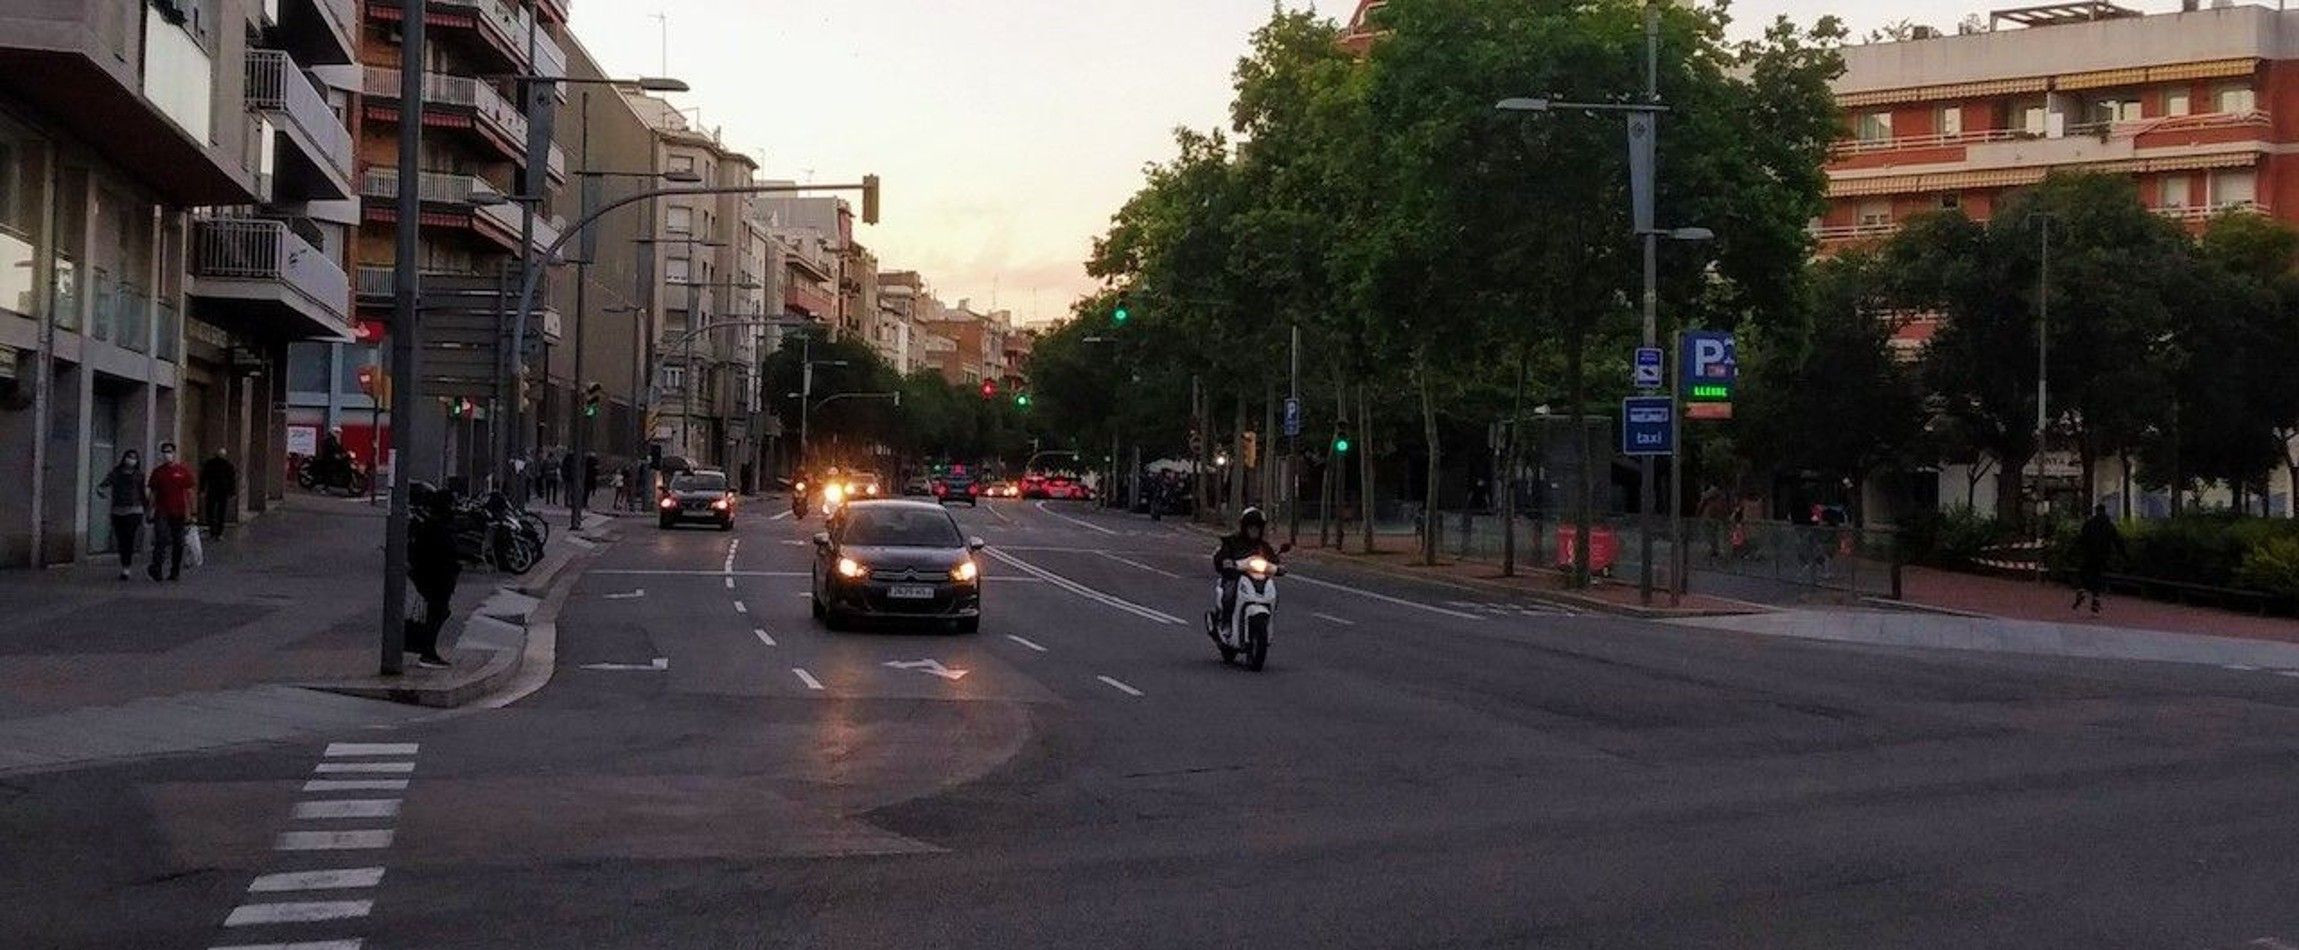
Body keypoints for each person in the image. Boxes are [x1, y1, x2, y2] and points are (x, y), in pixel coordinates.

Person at [405, 483, 460, 669]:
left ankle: (427, 649)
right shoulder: (435, 526)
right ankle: (427, 650)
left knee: (439, 612)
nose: (454, 507)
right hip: (435, 578)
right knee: (437, 612)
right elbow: (437, 554)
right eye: (451, 504)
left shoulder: (437, 524)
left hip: (437, 578)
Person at [1209, 507, 1283, 635]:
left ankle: (1266, 622)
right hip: (1236, 577)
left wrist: (1279, 567)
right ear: (1245, 527)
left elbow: (1273, 560)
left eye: (1257, 528)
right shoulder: (1232, 541)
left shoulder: (1263, 546)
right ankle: (1226, 623)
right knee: (1229, 594)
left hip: (1258, 579)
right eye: (1251, 527)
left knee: (1273, 594)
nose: (1254, 531)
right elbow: (1221, 556)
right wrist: (1226, 562)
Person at [145, 442, 197, 581]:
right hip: (162, 511)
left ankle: (175, 571)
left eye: (169, 451)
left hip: (179, 512)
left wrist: (192, 513)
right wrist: (149, 510)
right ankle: (157, 568)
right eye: (164, 452)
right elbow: (153, 493)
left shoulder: (182, 471)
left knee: (178, 543)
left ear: (174, 453)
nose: (167, 454)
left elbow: (190, 492)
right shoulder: (158, 472)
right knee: (161, 540)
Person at [97, 450, 145, 580]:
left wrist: (146, 510)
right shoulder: (116, 473)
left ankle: (126, 568)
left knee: (129, 538)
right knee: (121, 539)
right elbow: (103, 484)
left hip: (134, 511)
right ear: (124, 458)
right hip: (118, 511)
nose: (131, 460)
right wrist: (101, 491)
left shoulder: (139, 475)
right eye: (129, 457)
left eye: (134, 458)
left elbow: (142, 493)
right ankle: (125, 562)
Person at [2073, 504, 2127, 614]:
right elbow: (2117, 541)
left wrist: (2072, 551)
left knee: (2083, 572)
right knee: (2097, 576)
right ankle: (2096, 598)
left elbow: (2081, 539)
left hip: (2089, 554)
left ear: (2096, 511)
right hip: (2103, 555)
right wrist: (2124, 555)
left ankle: (2082, 590)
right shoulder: (2109, 525)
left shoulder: (2089, 524)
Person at [200, 448, 238, 540]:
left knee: (212, 511)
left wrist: (202, 489)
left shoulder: (211, 464)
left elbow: (204, 477)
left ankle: (214, 531)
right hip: (221, 491)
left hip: (215, 490)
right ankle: (217, 532)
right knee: (219, 512)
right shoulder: (227, 465)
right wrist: (232, 492)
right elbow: (232, 479)